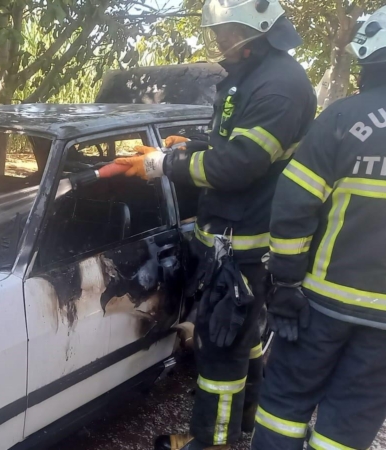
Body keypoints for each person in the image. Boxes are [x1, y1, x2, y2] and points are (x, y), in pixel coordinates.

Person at [114, 0, 316, 448]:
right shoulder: (254, 75)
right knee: (245, 338)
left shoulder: (280, 86)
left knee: (220, 350)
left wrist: (163, 164)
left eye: (228, 30)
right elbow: (234, 142)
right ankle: (245, 417)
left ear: (258, 28)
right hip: (231, 237)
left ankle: (211, 441)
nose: (220, 39)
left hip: (244, 244)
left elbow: (238, 165)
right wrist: (193, 145)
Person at [251, 8, 386, 450]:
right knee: (351, 421)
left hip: (320, 305)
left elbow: (293, 208)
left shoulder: (343, 119)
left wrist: (286, 284)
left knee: (284, 405)